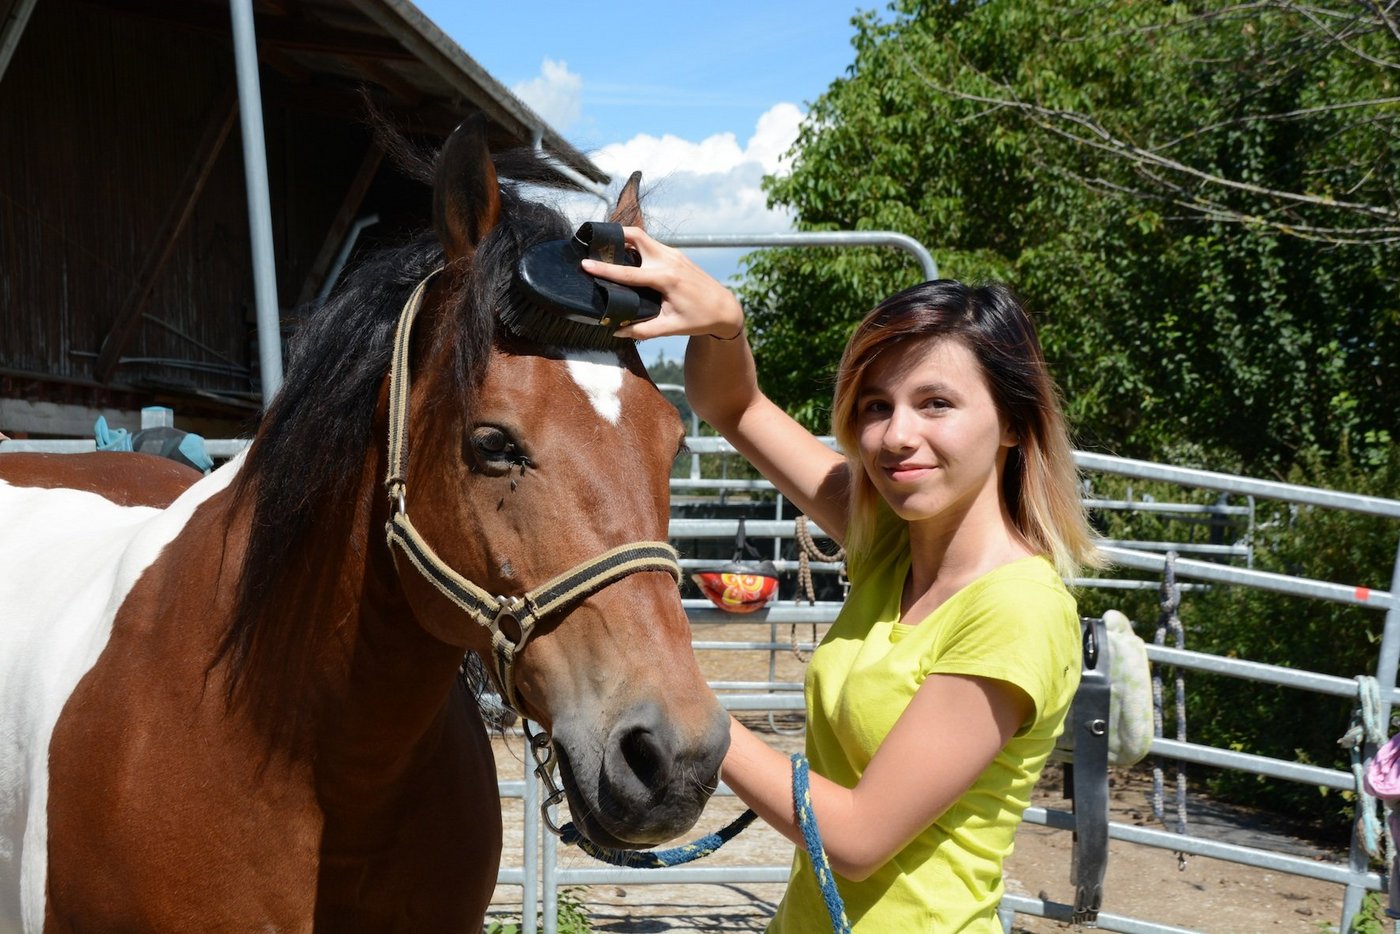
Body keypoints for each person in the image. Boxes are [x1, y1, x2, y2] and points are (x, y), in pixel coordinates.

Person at [586, 231, 1102, 932]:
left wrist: (687, 711)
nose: (896, 436)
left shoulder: (1018, 610)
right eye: (876, 406)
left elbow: (857, 840)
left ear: (1013, 423)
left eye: (936, 403)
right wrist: (724, 320)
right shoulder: (890, 542)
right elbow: (733, 406)